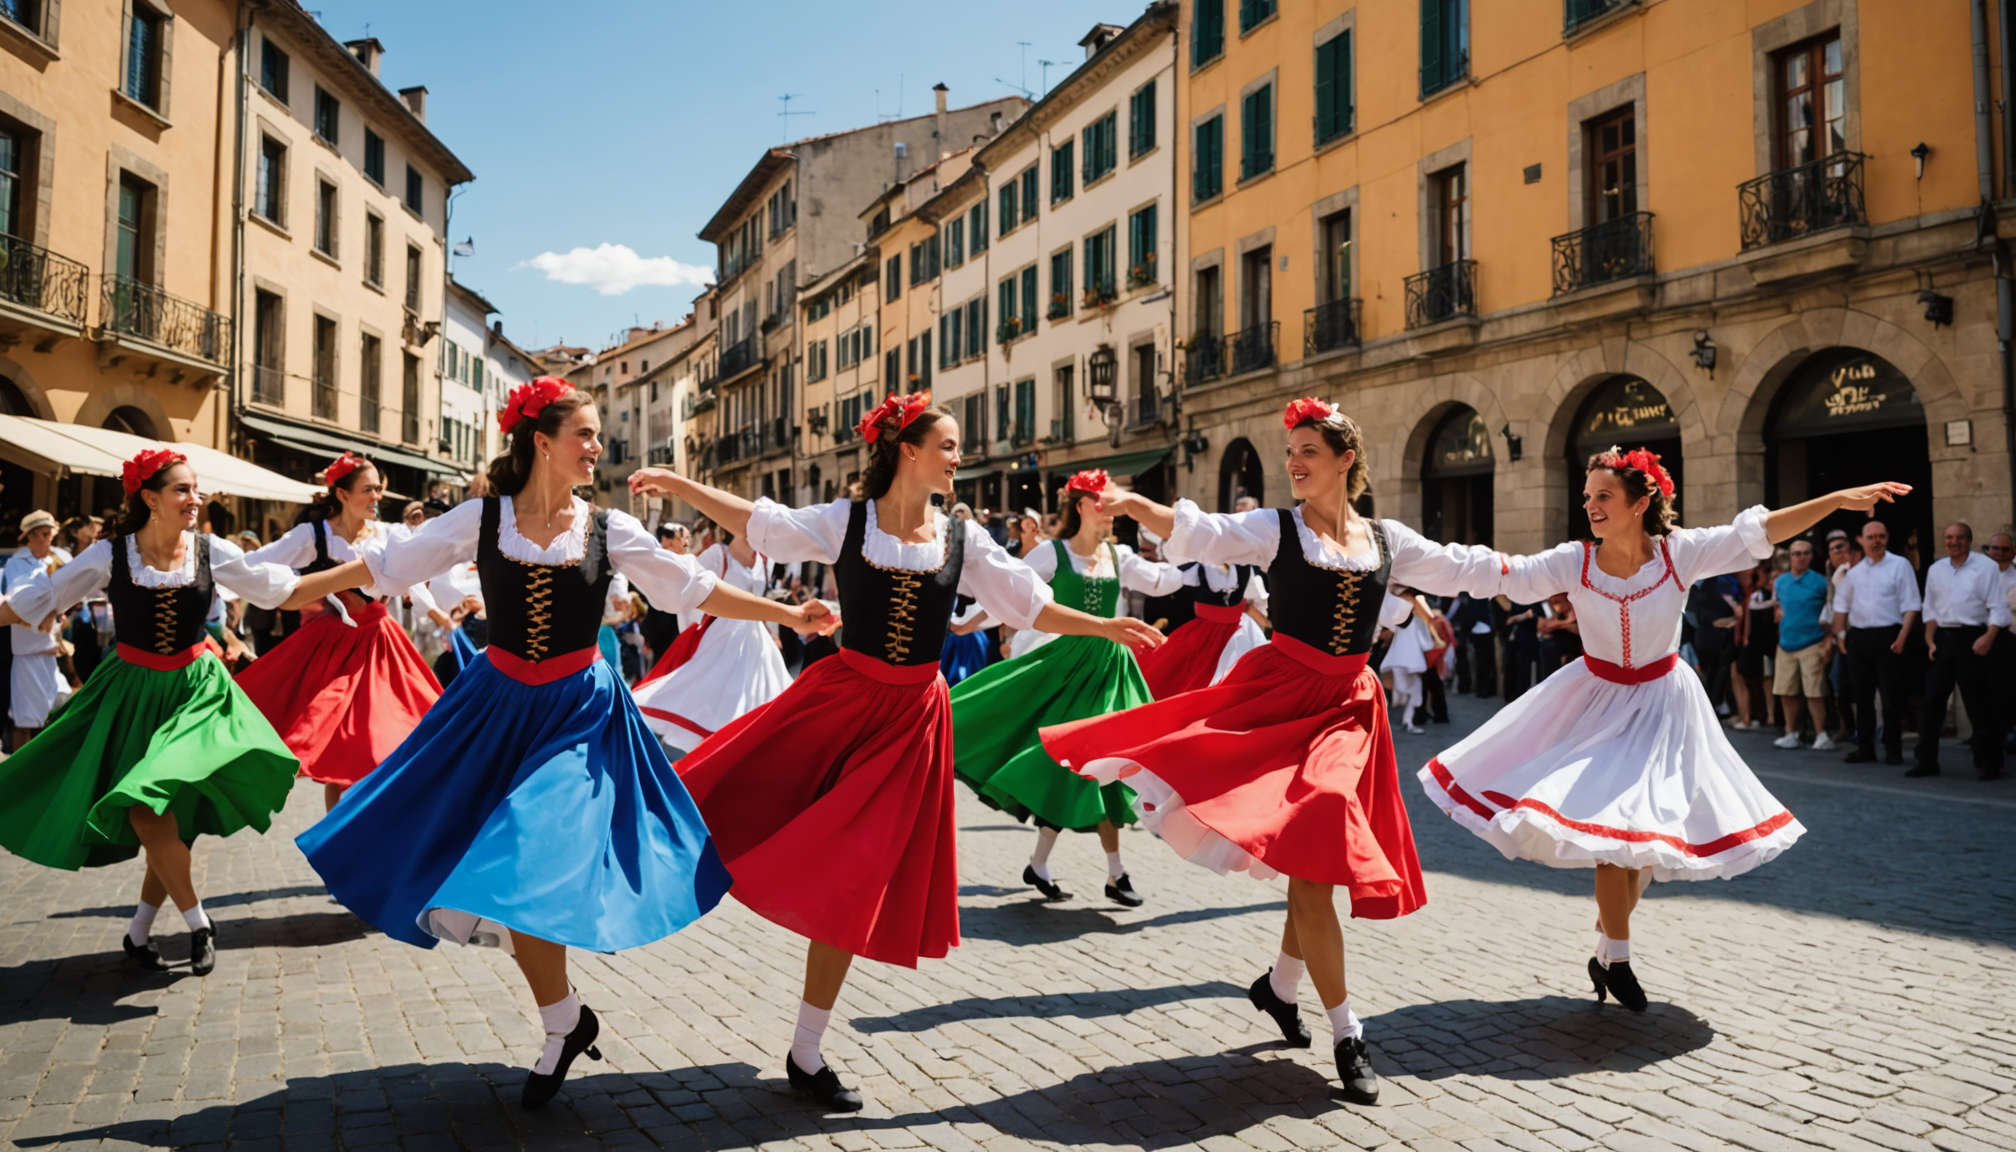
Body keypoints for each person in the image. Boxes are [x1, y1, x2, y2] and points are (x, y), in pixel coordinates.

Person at [297, 378, 827, 1110]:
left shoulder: (610, 530)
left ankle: (558, 1026)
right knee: (500, 870)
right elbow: (390, 568)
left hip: (579, 709)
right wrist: (294, 590)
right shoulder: (480, 520)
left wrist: (787, 614)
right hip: (499, 704)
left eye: (599, 435)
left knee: (521, 853)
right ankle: (563, 1022)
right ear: (541, 442)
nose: (598, 448)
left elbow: (690, 591)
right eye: (585, 434)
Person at [628, 392, 1161, 1113]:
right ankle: (668, 882)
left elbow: (1026, 603)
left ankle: (806, 1048)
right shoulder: (846, 521)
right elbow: (763, 525)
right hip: (845, 700)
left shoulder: (962, 538)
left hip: (913, 717)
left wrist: (1105, 629)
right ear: (908, 450)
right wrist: (678, 484)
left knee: (858, 873)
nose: (957, 455)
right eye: (947, 444)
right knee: (741, 794)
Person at [1042, 398, 1510, 1105]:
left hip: (1350, 708)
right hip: (1284, 697)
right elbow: (1204, 531)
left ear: (1345, 460)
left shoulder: (1388, 540)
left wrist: (1558, 570)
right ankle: (1347, 1033)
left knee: (1316, 849)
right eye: (1289, 451)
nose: (1293, 462)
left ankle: (1281, 987)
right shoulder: (1274, 528)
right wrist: (1137, 503)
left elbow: (1466, 566)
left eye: (1308, 452)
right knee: (1313, 855)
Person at [1419, 446, 1909, 1014]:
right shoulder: (1573, 561)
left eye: (1603, 495)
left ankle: (1606, 947)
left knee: (1642, 848)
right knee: (1610, 839)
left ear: (1641, 501)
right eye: (1587, 496)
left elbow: (1761, 529)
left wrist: (1840, 501)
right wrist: (1402, 557)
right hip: (1595, 703)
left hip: (1663, 706)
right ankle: (1620, 960)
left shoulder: (1680, 555)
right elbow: (1495, 571)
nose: (1591, 506)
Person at [0, 449, 350, 975]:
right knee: (159, 816)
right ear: (150, 499)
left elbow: (286, 591)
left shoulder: (213, 551)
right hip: (132, 691)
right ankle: (156, 929)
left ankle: (193, 924)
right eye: (182, 489)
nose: (195, 498)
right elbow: (42, 598)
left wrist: (359, 571)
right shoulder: (109, 555)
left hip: (194, 692)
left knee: (149, 809)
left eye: (196, 488)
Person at [950, 469, 1185, 906]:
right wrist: (966, 622)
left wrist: (1202, 554)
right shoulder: (1051, 554)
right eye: (1105, 504)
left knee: (1113, 766)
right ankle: (1092, 871)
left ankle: (1089, 869)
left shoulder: (1120, 557)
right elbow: (1008, 589)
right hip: (1066, 671)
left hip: (1111, 672)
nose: (1113, 513)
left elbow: (1164, 581)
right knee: (1072, 768)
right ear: (1081, 507)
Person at [236, 453, 450, 811]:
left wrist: (436, 612)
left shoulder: (388, 534)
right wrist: (290, 591)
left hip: (380, 644)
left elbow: (410, 575)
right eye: (368, 490)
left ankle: (371, 824)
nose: (377, 497)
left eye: (378, 489)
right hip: (329, 646)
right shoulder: (313, 535)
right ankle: (338, 832)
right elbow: (254, 566)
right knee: (333, 738)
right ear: (342, 494)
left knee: (393, 732)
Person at [630, 526, 791, 757]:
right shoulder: (717, 554)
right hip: (722, 636)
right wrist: (692, 635)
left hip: (757, 639)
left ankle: (742, 755)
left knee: (759, 699)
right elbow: (690, 593)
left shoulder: (766, 560)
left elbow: (764, 602)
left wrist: (773, 631)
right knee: (722, 697)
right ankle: (715, 757)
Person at [1912, 522, 2006, 780]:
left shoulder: (1985, 567)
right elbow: (1930, 609)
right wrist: (1931, 642)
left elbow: (1998, 607)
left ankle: (1989, 763)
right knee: (1932, 703)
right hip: (1942, 639)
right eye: (1949, 537)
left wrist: (1988, 638)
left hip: (1973, 638)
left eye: (1960, 537)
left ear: (1969, 540)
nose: (1954, 542)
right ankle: (1927, 761)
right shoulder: (1936, 569)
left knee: (1978, 704)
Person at [1833, 519, 1920, 765]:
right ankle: (1865, 748)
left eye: (1880, 536)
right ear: (1862, 540)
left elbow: (1912, 604)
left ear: (1887, 538)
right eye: (1870, 537)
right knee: (1862, 697)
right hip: (1859, 638)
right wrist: (1840, 636)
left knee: (1891, 697)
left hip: (1889, 637)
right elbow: (1840, 606)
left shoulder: (1900, 565)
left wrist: (1902, 636)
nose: (1876, 541)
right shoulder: (1856, 572)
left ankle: (1893, 751)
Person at [1135, 555, 1269, 698]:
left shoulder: (1244, 560)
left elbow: (1249, 603)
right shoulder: (1197, 563)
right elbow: (1162, 581)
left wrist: (1268, 626)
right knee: (1190, 681)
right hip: (1207, 633)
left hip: (1241, 629)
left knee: (1243, 680)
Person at [4, 511, 74, 743]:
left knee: (51, 710)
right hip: (27, 649)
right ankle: (17, 772)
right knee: (25, 718)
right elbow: (21, 599)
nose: (48, 539)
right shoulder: (17, 563)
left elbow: (71, 591)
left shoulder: (60, 557)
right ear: (30, 537)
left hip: (50, 647)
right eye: (44, 534)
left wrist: (59, 610)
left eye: (51, 534)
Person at [1771, 539, 1837, 750]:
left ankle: (1822, 734)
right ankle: (1791, 733)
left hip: (1812, 643)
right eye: (1797, 553)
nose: (1801, 557)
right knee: (1786, 691)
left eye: (1806, 553)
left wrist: (1829, 640)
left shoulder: (1820, 582)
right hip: (1786, 644)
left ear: (1811, 556)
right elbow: (1778, 607)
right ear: (1790, 557)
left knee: (1815, 692)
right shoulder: (1780, 582)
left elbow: (1831, 612)